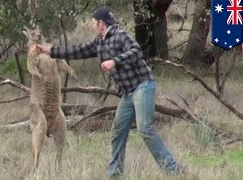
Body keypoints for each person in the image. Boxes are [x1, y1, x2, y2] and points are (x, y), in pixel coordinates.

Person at [35, 5, 180, 177]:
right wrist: (49, 51)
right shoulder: (99, 42)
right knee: (118, 131)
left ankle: (173, 170)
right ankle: (115, 173)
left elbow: (136, 52)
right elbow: (77, 50)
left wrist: (114, 61)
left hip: (143, 86)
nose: (92, 26)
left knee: (144, 129)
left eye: (93, 22)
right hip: (128, 93)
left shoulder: (120, 36)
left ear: (101, 23)